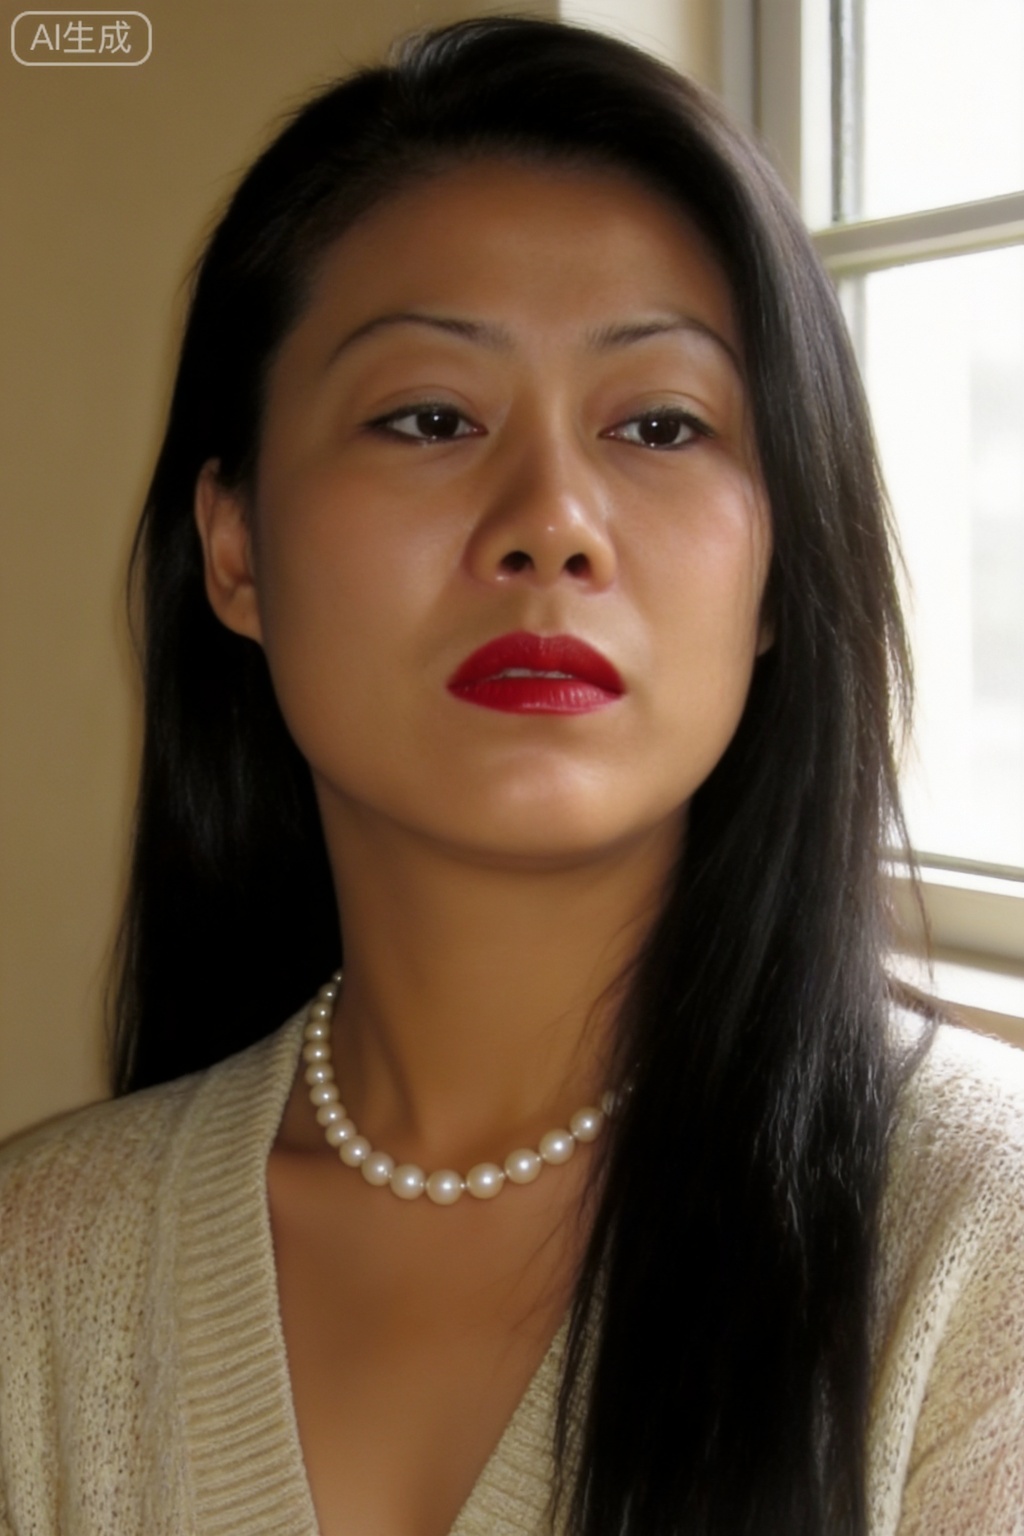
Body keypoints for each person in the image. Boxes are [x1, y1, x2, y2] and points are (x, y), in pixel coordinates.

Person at [1, 15, 1022, 1536]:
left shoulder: (977, 1251)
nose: (551, 521)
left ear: (777, 572)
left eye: (660, 424)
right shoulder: (36, 1272)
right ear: (236, 548)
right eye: (430, 418)